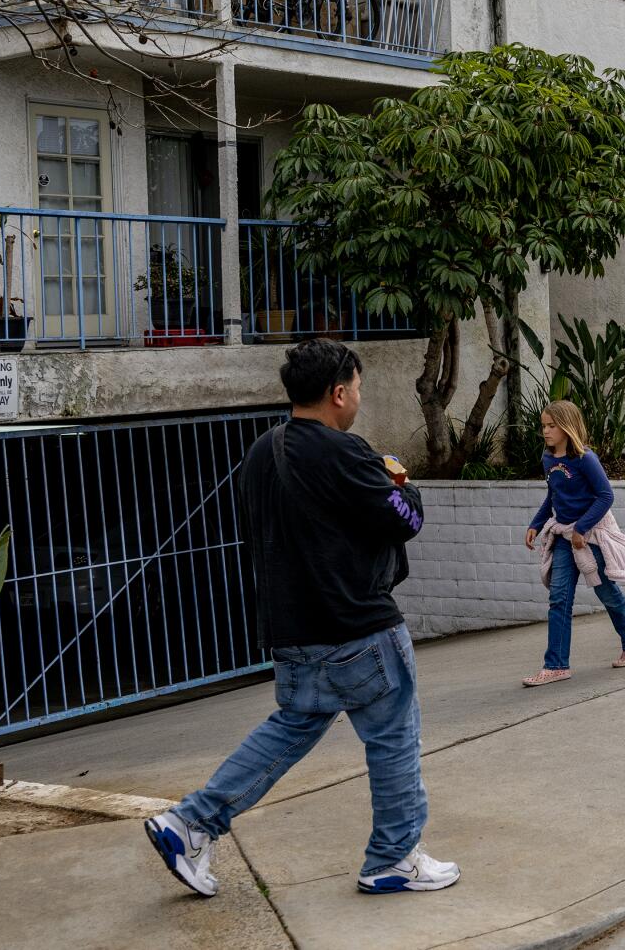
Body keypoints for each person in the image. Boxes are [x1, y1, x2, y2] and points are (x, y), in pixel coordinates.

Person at [144, 339, 458, 898]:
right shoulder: (347, 453)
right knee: (393, 740)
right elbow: (404, 521)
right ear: (338, 393)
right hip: (359, 627)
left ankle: (191, 822)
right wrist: (400, 483)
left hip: (292, 628)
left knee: (292, 729)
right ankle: (393, 859)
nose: (359, 398)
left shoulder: (262, 451)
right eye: (358, 388)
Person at [522, 400, 625, 687]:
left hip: (590, 536)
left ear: (567, 426)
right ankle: (556, 665)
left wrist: (583, 528)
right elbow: (553, 497)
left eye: (551, 426)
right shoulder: (548, 459)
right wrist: (535, 524)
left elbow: (606, 496)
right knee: (559, 598)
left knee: (606, 592)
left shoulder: (584, 458)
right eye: (543, 426)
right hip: (565, 537)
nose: (545, 431)